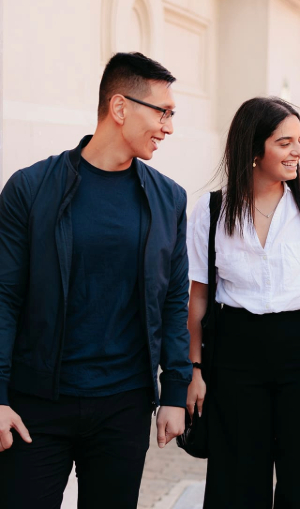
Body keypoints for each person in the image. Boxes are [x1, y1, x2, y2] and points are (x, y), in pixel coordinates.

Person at [0, 52, 192, 509]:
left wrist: (175, 393)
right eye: (162, 112)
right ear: (120, 108)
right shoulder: (30, 188)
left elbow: (173, 301)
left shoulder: (169, 199)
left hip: (124, 405)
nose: (168, 127)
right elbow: (4, 297)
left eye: (172, 115)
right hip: (36, 404)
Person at [186, 97, 300, 509]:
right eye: (285, 142)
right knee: (237, 479)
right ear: (253, 148)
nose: (298, 151)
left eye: (299, 141)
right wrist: (194, 370)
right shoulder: (210, 211)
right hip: (235, 350)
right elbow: (197, 299)